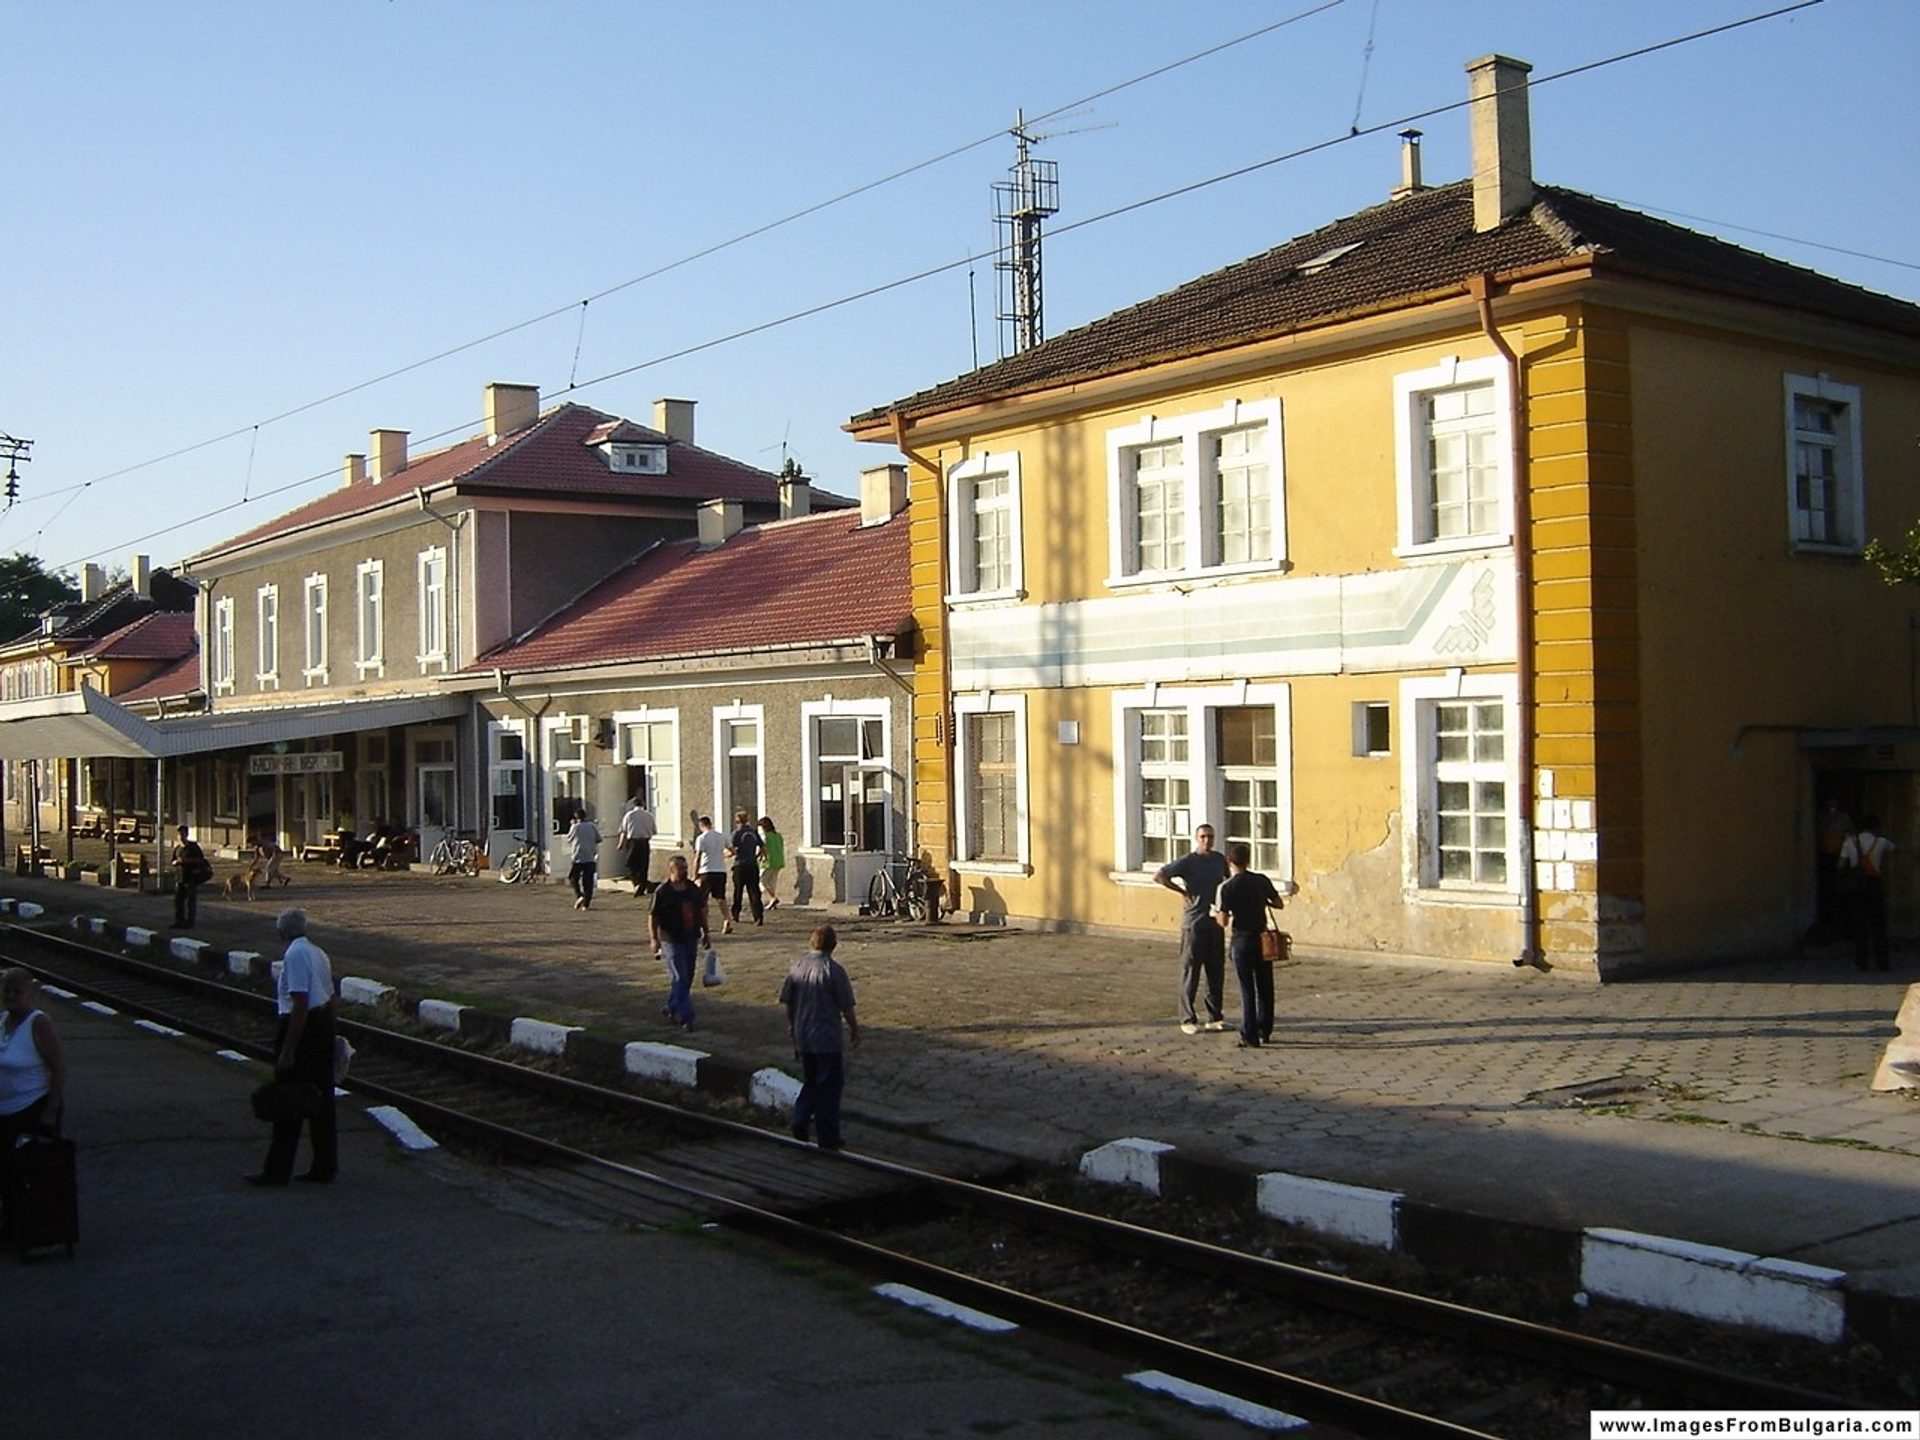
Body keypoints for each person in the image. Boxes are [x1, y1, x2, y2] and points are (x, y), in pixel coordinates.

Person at [248, 909, 337, 1187]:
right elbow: (330, 995)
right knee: (321, 1100)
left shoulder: (295, 955)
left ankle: (277, 1171)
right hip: (322, 1025)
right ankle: (324, 1166)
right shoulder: (318, 952)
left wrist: (288, 1049)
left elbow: (300, 1002)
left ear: (282, 932)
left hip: (302, 1028)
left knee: (288, 1099)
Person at [779, 925, 861, 1150]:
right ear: (833, 945)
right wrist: (854, 1029)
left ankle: (800, 1118)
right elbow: (846, 1006)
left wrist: (792, 1027)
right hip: (827, 1038)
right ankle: (827, 1136)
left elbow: (788, 1001)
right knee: (829, 1087)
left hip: (803, 1035)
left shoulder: (797, 967)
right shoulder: (834, 971)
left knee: (811, 1081)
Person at [0, 968, 67, 1233]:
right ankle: (10, 1224)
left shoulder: (39, 1024)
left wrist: (51, 1110)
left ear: (30, 994)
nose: (10, 996)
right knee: (4, 1171)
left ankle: (32, 1227)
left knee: (23, 1169)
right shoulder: (2, 1021)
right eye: (6, 990)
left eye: (17, 991)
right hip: (4, 1110)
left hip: (31, 1107)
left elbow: (58, 1068)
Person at [1156, 824, 1231, 1035]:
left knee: (1215, 970)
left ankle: (1215, 1017)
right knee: (1190, 970)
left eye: (1210, 837)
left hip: (1214, 921)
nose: (1207, 840)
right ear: (1197, 838)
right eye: (1203, 837)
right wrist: (1181, 891)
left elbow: (1227, 882)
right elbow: (1160, 875)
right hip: (1194, 923)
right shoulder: (1188, 861)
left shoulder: (1219, 860)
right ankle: (1187, 1017)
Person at [1216, 844, 1286, 1049]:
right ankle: (1265, 1029)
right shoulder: (1261, 880)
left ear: (1230, 862)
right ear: (1248, 860)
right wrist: (1263, 902)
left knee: (1246, 989)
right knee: (1265, 986)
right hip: (1262, 938)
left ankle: (1250, 1034)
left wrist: (1217, 914)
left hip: (1242, 939)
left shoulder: (1227, 887)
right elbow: (1279, 903)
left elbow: (1223, 921)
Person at [650, 855, 711, 1030]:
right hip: (671, 939)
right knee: (679, 976)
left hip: (691, 937)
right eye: (681, 868)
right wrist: (654, 939)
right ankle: (686, 1017)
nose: (685, 871)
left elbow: (701, 911)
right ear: (672, 870)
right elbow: (653, 916)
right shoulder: (663, 892)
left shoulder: (692, 889)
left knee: (688, 977)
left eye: (686, 868)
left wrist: (706, 932)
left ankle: (671, 1006)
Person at [1839, 815, 1895, 973]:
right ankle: (1882, 963)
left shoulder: (1849, 842)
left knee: (1860, 925)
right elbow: (1894, 848)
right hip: (1874, 884)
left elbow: (1841, 864)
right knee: (1878, 925)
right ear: (1875, 827)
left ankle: (1861, 962)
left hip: (1857, 887)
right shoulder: (1881, 841)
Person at [1815, 797, 1855, 937]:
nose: (1831, 804)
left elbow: (1850, 837)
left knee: (1840, 891)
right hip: (1824, 858)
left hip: (1839, 858)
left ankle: (1840, 926)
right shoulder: (1821, 817)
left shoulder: (1844, 818)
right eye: (1829, 801)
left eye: (1834, 801)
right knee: (1826, 892)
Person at [725, 808, 765, 935]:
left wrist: (727, 855)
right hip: (752, 865)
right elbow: (762, 846)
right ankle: (758, 916)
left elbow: (732, 849)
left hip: (740, 865)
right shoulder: (753, 832)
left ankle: (736, 914)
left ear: (737, 821)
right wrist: (757, 856)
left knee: (738, 891)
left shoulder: (736, 833)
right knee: (754, 891)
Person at [619, 794, 658, 897]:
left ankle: (637, 883)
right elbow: (654, 831)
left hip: (633, 842)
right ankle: (642, 886)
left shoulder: (629, 815)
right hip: (645, 842)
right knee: (643, 865)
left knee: (630, 863)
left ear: (633, 805)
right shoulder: (649, 815)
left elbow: (624, 831)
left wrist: (621, 844)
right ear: (643, 804)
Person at [170, 825, 208, 928]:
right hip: (180, 878)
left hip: (191, 877)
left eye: (182, 834)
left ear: (186, 835)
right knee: (178, 901)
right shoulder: (178, 848)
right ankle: (179, 921)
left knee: (190, 901)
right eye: (179, 834)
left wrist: (186, 861)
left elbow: (201, 860)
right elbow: (172, 861)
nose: (180, 836)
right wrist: (175, 862)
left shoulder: (193, 847)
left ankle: (190, 922)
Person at [566, 807, 603, 911]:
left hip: (578, 856)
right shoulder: (592, 826)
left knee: (573, 878)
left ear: (576, 817)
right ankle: (586, 904)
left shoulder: (575, 827)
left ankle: (579, 895)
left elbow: (569, 839)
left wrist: (572, 825)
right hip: (590, 856)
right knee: (588, 881)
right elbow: (599, 839)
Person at [692, 815, 728, 907]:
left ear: (701, 825)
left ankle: (703, 915)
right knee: (721, 898)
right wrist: (723, 856)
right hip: (720, 871)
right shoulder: (721, 836)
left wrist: (695, 875)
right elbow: (733, 851)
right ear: (710, 824)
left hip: (706, 871)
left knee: (702, 899)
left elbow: (698, 857)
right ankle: (726, 915)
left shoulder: (701, 838)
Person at [759, 816, 786, 910]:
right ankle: (772, 903)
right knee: (772, 882)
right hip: (778, 861)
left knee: (762, 881)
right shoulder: (778, 836)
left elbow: (762, 848)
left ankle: (773, 898)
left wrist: (758, 856)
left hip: (768, 861)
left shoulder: (765, 836)